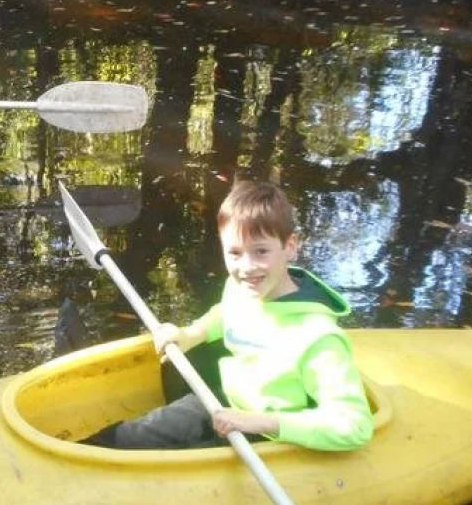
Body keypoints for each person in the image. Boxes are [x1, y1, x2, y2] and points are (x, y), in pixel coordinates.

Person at [86, 180, 374, 451]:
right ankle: (97, 447)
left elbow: (355, 426)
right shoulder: (243, 288)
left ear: (290, 246)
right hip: (226, 401)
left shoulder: (318, 338)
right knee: (132, 430)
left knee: (133, 442)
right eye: (235, 253)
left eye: (261, 251)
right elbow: (225, 314)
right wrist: (191, 334)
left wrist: (261, 422)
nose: (246, 267)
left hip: (264, 434)